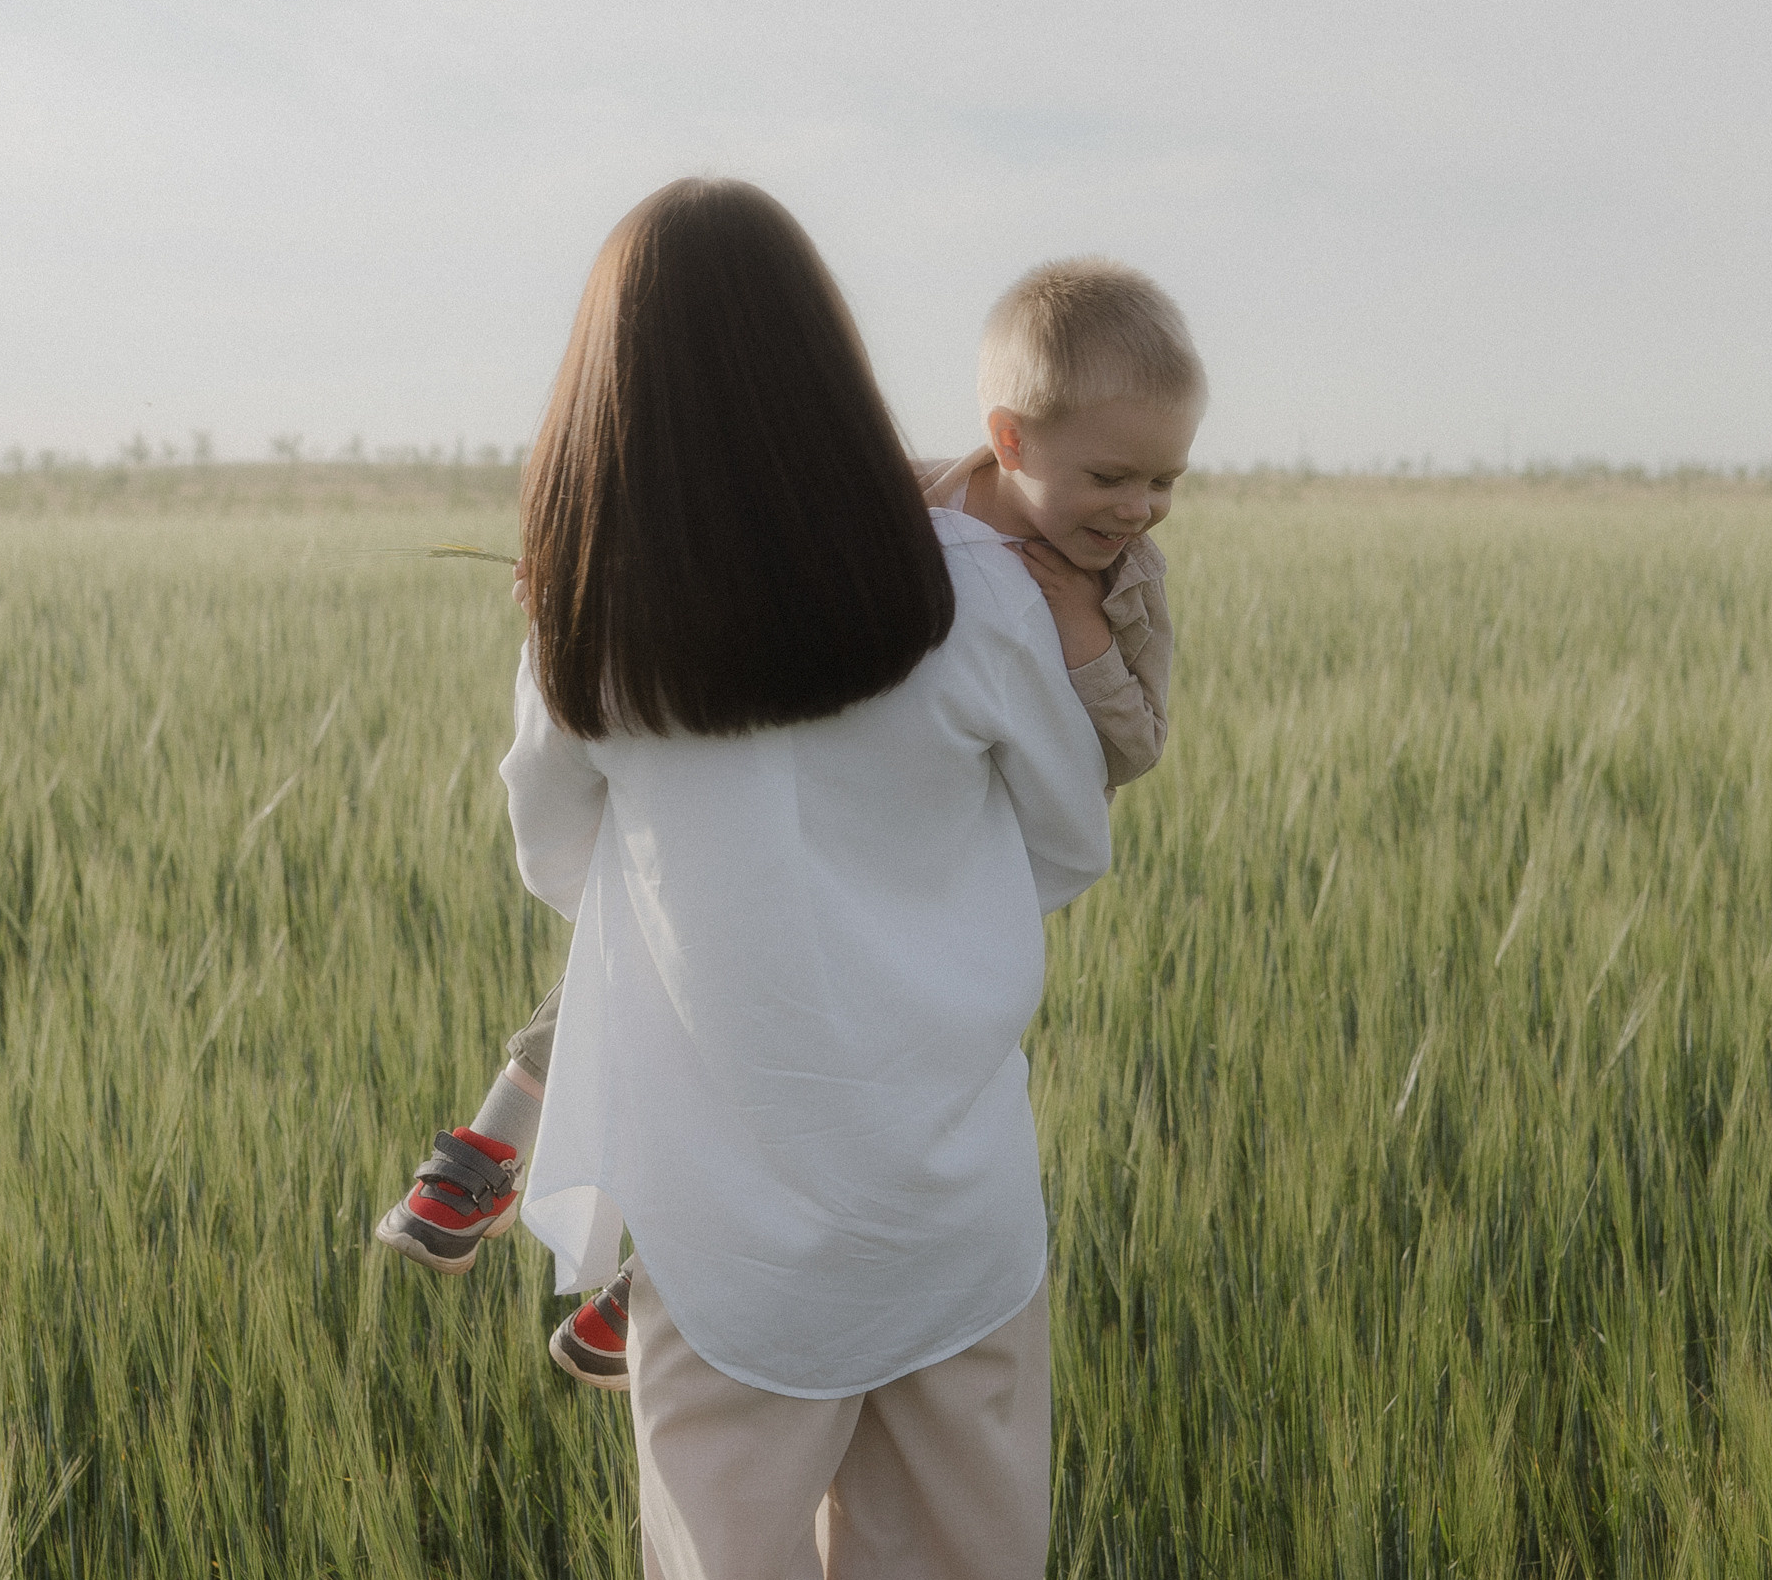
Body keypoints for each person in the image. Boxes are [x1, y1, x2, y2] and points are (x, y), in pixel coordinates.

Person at [376, 255, 1202, 1396]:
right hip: (847, 862)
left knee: (724, 1002)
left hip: (926, 860)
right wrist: (580, 574)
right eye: (1112, 477)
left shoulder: (1110, 587)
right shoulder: (904, 505)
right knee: (682, 972)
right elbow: (753, 533)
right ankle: (524, 1173)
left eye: (1166, 483)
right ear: (1008, 442)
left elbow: (1133, 744)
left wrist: (1080, 635)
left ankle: (640, 1267)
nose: (1140, 510)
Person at [496, 175, 1110, 1580]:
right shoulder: (973, 588)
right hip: (951, 1202)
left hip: (728, 1226)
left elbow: (559, 859)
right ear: (830, 368)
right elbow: (1067, 840)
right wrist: (909, 906)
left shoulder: (587, 625)